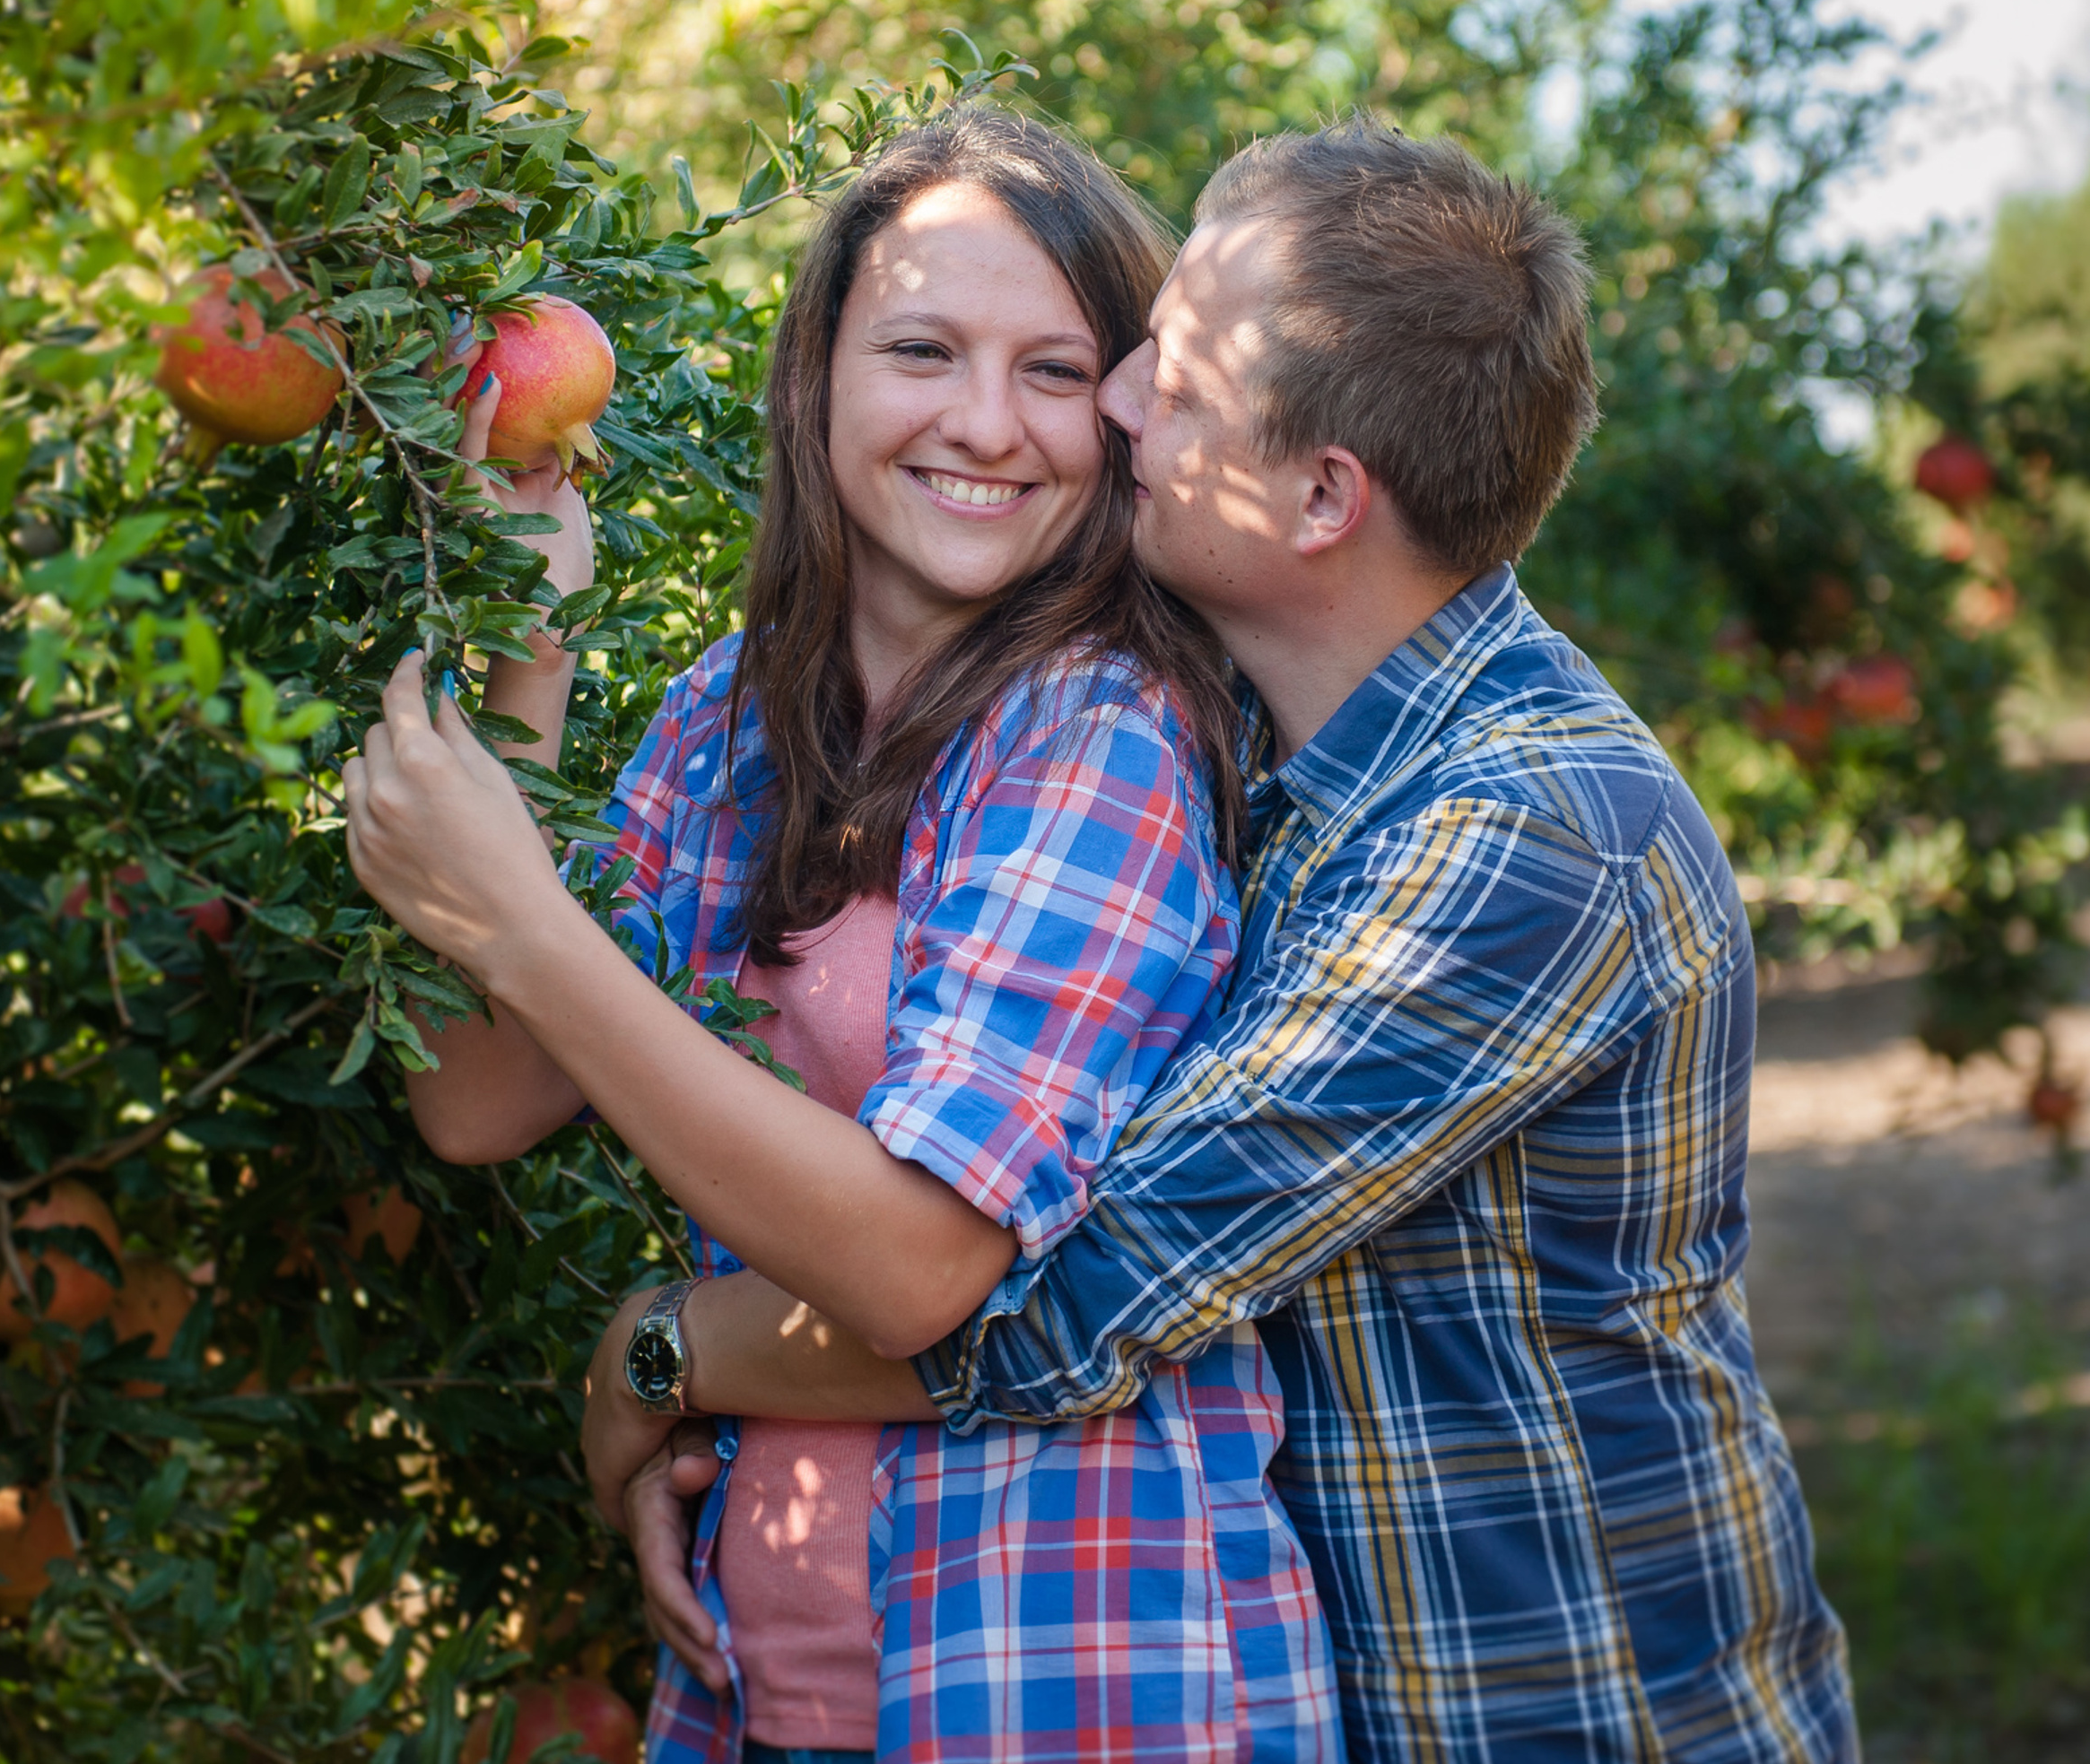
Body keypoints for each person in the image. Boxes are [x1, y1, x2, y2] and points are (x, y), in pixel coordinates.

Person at [591, 120, 1861, 1763]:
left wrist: (664, 1352)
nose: (1112, 401)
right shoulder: (1275, 756)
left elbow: (1058, 1303)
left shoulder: (1522, 835)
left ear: (1324, 496)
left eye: (1171, 382)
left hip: (1567, 1709)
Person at [343, 109, 1339, 1763]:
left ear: (1126, 410)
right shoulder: (735, 726)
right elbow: (475, 1093)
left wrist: (525, 926)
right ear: (814, 380)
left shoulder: (1104, 735)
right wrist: (530, 652)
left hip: (1067, 1675)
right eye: (923, 350)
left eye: (1051, 370)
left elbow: (920, 1262)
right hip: (774, 1684)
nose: (983, 423)